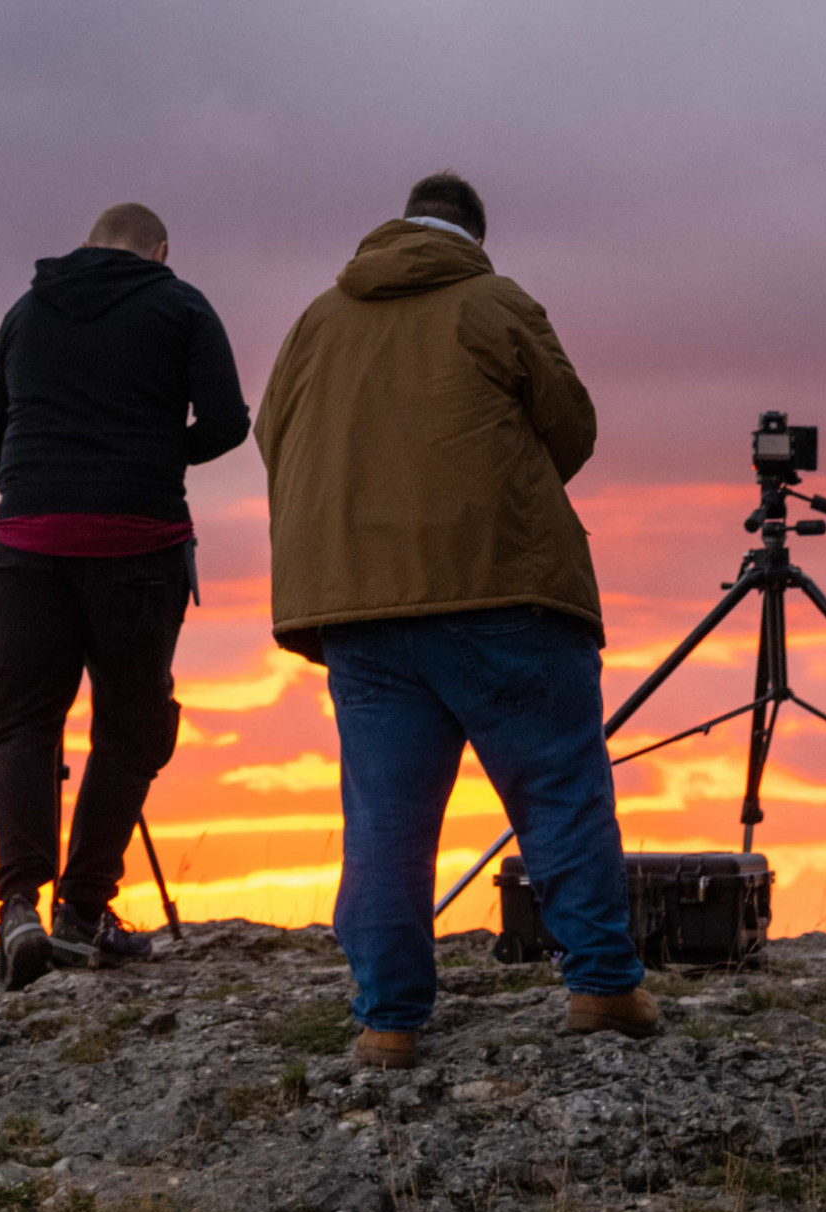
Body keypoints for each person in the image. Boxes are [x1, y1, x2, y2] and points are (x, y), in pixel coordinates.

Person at [254, 168, 652, 1064]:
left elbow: (271, 433)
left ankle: (388, 1020)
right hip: (500, 586)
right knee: (557, 790)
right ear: (476, 237)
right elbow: (572, 429)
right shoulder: (495, 301)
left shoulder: (318, 319)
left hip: (357, 603)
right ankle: (602, 986)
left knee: (386, 819)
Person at [0, 197, 249, 989]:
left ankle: (18, 906)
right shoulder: (182, 305)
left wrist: (42, 490)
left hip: (27, 544)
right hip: (138, 546)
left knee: (22, 719)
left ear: (89, 243)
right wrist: (155, 458)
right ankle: (83, 912)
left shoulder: (25, 313)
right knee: (131, 729)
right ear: (159, 250)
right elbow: (229, 424)